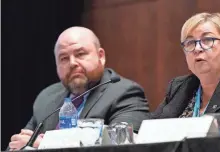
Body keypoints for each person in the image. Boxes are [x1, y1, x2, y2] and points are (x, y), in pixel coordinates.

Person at [8, 26, 150, 150]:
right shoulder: (47, 97)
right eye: (63, 58)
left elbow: (123, 146)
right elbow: (18, 143)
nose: (72, 63)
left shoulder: (125, 93)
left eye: (80, 54)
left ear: (100, 56)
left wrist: (44, 143)